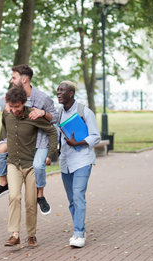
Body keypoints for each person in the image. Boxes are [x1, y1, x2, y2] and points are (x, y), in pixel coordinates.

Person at [0, 64, 57, 216]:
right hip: (19, 138)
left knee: (38, 165)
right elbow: (6, 121)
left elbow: (56, 117)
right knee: (0, 150)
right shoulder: (11, 96)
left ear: (24, 79)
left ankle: (40, 195)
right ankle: (3, 184)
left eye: (14, 77)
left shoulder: (42, 98)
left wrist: (43, 112)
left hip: (39, 139)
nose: (11, 81)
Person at [2, 87, 57, 248]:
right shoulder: (6, 114)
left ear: (24, 103)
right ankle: (15, 234)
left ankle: (31, 234)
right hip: (13, 164)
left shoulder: (33, 116)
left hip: (31, 165)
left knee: (31, 202)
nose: (14, 111)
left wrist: (49, 154)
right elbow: (6, 129)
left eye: (17, 107)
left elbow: (52, 131)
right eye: (11, 107)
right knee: (14, 197)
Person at [56, 81, 100, 248]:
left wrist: (79, 142)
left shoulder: (84, 111)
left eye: (62, 91)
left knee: (78, 196)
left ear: (71, 93)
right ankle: (80, 227)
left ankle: (78, 233)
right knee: (71, 200)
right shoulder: (59, 114)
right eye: (58, 90)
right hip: (66, 162)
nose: (59, 93)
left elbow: (96, 136)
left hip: (82, 159)